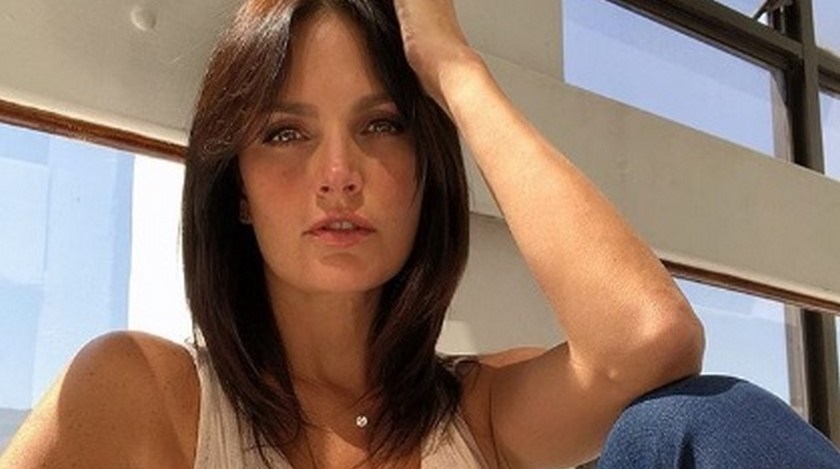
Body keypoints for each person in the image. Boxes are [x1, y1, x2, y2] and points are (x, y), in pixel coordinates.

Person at [2, 1, 838, 468]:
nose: (338, 172)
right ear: (239, 192)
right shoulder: (146, 396)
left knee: (702, 420)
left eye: (383, 126)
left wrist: (455, 68)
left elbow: (647, 339)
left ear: (425, 173)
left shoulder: (479, 412)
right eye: (286, 133)